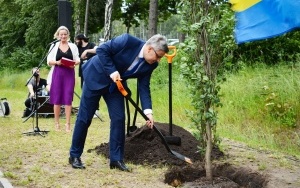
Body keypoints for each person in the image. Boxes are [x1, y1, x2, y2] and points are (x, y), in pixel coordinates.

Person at [69, 33, 169, 171]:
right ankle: (74, 155)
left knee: (119, 118)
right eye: (158, 56)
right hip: (96, 76)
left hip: (115, 86)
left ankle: (116, 159)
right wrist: (112, 71)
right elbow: (102, 50)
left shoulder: (151, 65)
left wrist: (148, 112)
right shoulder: (127, 41)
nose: (158, 60)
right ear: (149, 49)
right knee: (84, 118)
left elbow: (144, 87)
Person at [47, 26, 80, 132]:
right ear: (58, 35)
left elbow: (77, 59)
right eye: (61, 34)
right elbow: (48, 61)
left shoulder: (73, 46)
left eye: (65, 34)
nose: (63, 36)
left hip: (69, 73)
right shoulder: (54, 46)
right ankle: (56, 123)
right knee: (57, 98)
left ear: (68, 35)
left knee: (68, 98)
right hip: (57, 72)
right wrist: (57, 62)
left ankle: (68, 124)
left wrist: (74, 63)